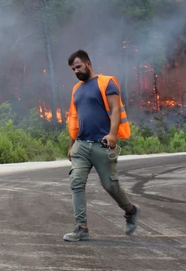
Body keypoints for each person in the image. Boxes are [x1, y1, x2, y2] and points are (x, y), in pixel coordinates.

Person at [63, 49, 140, 242]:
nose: (76, 71)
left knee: (110, 186)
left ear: (88, 63)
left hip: (102, 145)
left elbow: (115, 109)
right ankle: (81, 228)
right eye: (73, 69)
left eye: (78, 66)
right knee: (76, 183)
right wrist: (72, 145)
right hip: (81, 144)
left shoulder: (106, 82)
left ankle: (130, 211)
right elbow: (75, 119)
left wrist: (112, 134)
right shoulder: (76, 90)